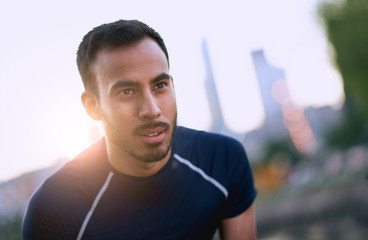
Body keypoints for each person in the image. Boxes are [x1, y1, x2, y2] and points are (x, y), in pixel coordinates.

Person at [22, 19, 257, 240]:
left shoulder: (222, 159)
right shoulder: (54, 209)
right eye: (127, 92)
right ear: (93, 106)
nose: (152, 110)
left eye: (160, 85)